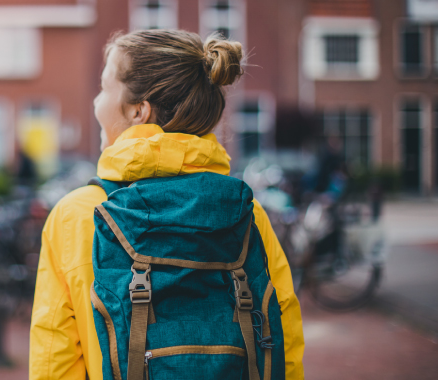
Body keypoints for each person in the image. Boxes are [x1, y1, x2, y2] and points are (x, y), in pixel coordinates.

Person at [29, 30, 304, 379]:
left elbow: (55, 363)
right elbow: (285, 343)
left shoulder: (79, 215)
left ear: (138, 111)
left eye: (103, 88)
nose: (96, 102)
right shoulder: (246, 214)